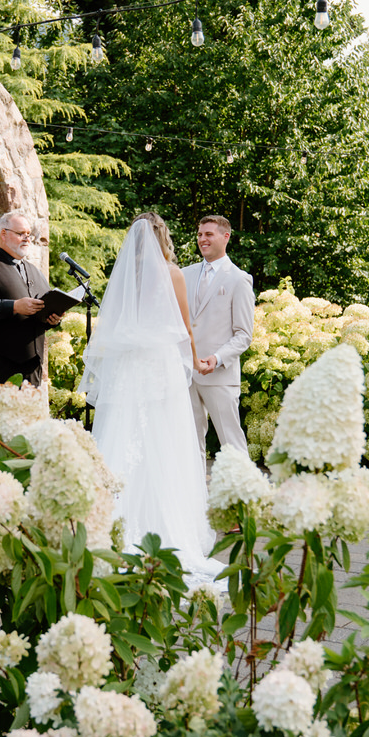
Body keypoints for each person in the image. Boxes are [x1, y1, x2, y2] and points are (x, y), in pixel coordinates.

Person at [82, 214, 223, 581]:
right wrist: (193, 362)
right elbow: (185, 327)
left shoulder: (128, 278)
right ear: (163, 237)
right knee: (165, 442)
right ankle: (165, 531)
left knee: (122, 435)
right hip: (159, 370)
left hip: (130, 369)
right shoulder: (171, 273)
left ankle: (110, 527)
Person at [0, 210, 60, 387]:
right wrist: (13, 306)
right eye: (21, 233)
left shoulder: (33, 271)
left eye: (29, 234)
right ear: (3, 234)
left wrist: (52, 319)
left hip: (32, 369)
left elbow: (41, 312)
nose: (27, 238)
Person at [183, 215, 255, 456]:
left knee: (232, 444)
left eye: (208, 234)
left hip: (220, 375)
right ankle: (196, 494)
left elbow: (243, 334)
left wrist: (217, 358)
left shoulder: (239, 279)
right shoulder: (184, 275)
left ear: (226, 237)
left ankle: (246, 493)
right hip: (186, 373)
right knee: (190, 446)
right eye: (200, 234)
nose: (202, 239)